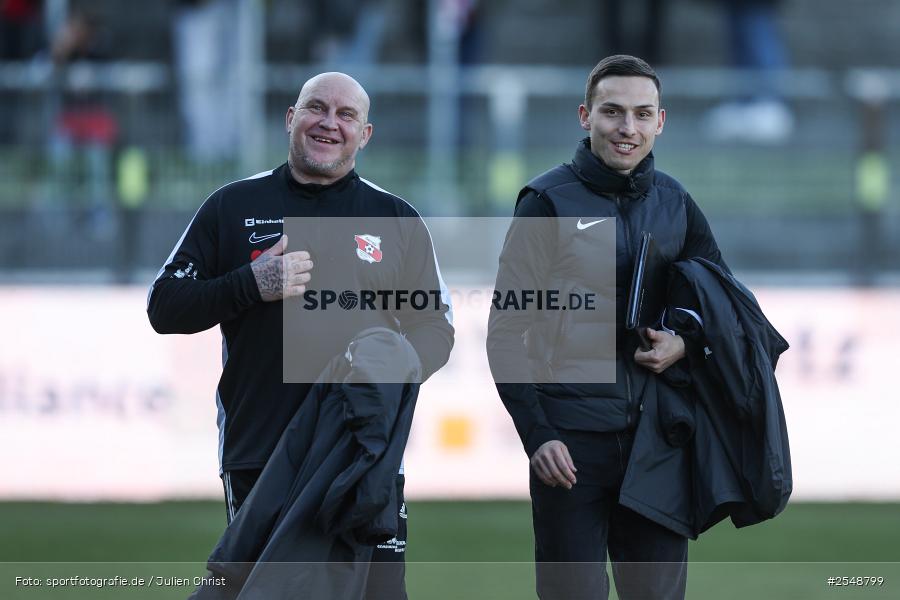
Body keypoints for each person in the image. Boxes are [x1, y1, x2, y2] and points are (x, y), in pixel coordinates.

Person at [147, 72, 454, 599]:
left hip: (362, 454)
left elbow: (436, 330)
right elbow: (164, 306)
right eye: (316, 108)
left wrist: (386, 365)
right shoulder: (232, 206)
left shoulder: (396, 217)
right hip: (260, 453)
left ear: (366, 133)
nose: (329, 123)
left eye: (346, 115)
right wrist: (249, 283)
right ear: (291, 119)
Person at [487, 55, 728, 600]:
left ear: (660, 122)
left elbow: (724, 310)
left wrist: (684, 345)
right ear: (585, 115)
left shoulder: (677, 203)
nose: (628, 128)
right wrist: (538, 434)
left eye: (643, 114)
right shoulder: (546, 202)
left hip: (659, 444)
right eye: (613, 112)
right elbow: (505, 332)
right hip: (570, 447)